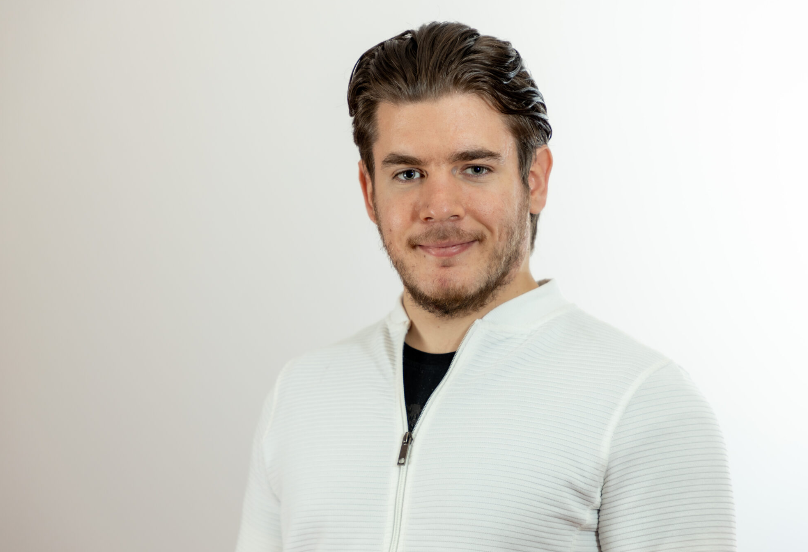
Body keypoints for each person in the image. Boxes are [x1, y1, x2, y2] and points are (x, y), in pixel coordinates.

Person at [235, 21, 736, 552]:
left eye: (474, 168)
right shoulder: (301, 395)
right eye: (408, 174)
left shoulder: (643, 403)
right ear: (368, 190)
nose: (439, 208)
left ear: (534, 179)